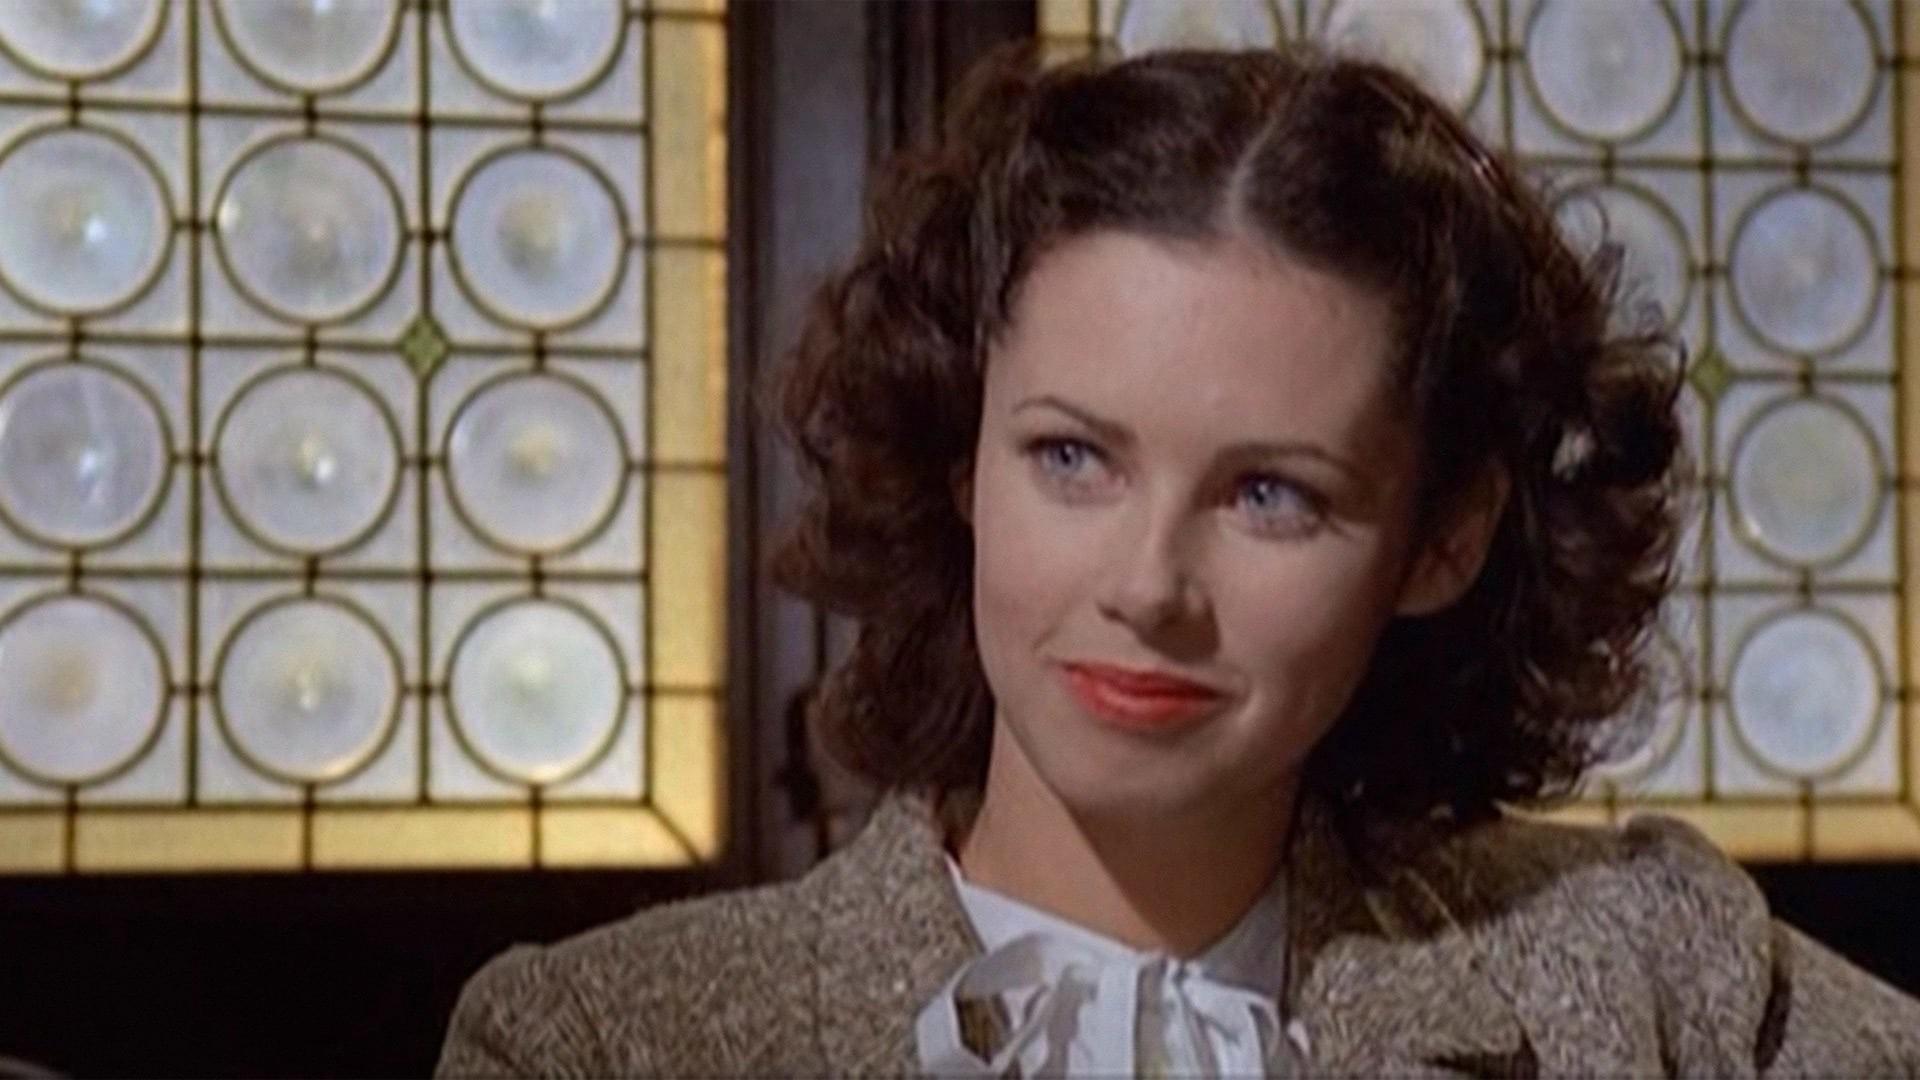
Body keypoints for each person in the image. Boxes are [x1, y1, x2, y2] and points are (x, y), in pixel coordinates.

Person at [436, 43, 1920, 1078]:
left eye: (1270, 494)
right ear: (964, 463)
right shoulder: (602, 1042)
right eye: (1071, 458)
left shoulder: (1653, 976)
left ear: (1443, 541)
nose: (1149, 584)